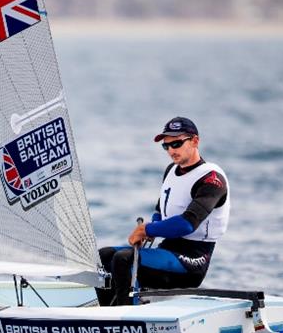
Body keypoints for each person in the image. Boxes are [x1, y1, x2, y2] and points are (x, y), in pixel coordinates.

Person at [97, 116, 230, 306]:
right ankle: (105, 313)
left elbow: (187, 223)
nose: (171, 151)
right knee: (103, 256)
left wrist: (148, 230)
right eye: (166, 146)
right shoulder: (171, 170)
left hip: (193, 260)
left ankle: (124, 317)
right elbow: (161, 209)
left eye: (176, 143)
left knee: (123, 260)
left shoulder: (211, 179)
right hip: (169, 250)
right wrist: (154, 225)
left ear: (195, 141)